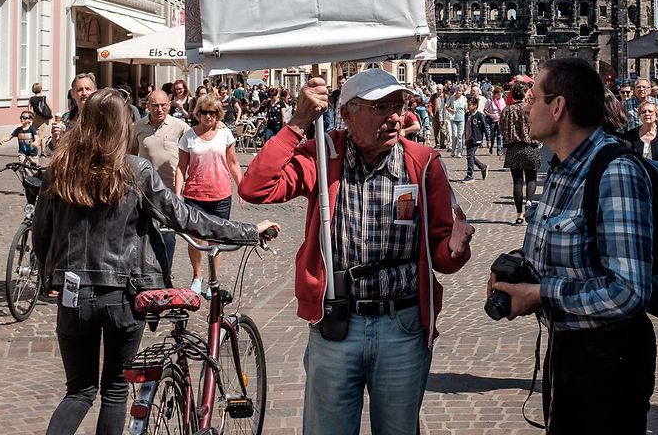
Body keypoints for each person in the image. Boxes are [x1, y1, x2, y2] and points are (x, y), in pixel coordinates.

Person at [239, 68, 472, 435]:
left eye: (399, 105)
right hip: (337, 325)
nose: (395, 116)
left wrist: (456, 248)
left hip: (403, 325)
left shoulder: (423, 163)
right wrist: (299, 121)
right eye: (380, 107)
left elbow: (442, 255)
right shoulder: (324, 155)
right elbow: (256, 188)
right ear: (347, 113)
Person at [32, 88, 278, 435]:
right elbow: (185, 218)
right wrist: (248, 231)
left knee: (79, 391)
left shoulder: (60, 169)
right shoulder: (134, 171)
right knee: (115, 390)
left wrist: (50, 279)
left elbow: (41, 232)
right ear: (125, 127)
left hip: (74, 295)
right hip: (121, 294)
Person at [490, 57, 655, 434]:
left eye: (533, 98)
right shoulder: (563, 168)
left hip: (609, 362)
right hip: (567, 351)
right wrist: (516, 267)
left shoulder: (615, 172)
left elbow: (629, 291)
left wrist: (540, 294)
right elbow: (563, 248)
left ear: (558, 106)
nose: (525, 107)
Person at [177, 93, 243, 296]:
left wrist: (242, 187)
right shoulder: (189, 135)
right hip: (194, 194)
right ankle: (197, 276)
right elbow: (181, 167)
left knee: (216, 240)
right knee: (195, 239)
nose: (208, 116)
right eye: (204, 112)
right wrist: (177, 192)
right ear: (198, 113)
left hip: (220, 195)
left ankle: (213, 278)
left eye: (212, 113)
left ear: (218, 114)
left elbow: (232, 163)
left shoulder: (225, 135)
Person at [134, 89, 190, 285]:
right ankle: (147, 275)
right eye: (155, 105)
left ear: (169, 105)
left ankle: (166, 273)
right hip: (144, 189)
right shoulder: (138, 126)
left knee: (168, 236)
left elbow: (190, 152)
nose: (159, 109)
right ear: (147, 106)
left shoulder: (180, 127)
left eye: (163, 105)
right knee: (145, 233)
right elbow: (132, 153)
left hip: (169, 190)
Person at [500, 84, 541, 225]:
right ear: (524, 94)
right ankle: (529, 202)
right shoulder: (528, 108)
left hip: (513, 148)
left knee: (517, 182)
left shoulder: (506, 110)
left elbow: (502, 128)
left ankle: (519, 214)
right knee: (531, 178)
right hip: (530, 146)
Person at [50, 73, 98, 150]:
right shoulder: (66, 118)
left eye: (88, 89)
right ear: (72, 93)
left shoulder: (103, 117)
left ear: (95, 92)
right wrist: (54, 141)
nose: (84, 93)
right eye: (80, 90)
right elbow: (51, 150)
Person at [463, 98, 490, 182]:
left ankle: (469, 175)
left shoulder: (480, 115)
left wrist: (488, 140)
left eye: (470, 105)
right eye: (468, 104)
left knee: (470, 156)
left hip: (476, 138)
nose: (468, 106)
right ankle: (483, 167)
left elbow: (485, 128)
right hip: (468, 138)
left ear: (475, 106)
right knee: (470, 156)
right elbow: (466, 126)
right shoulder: (467, 115)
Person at [483, 86, 506, 155]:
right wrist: (490, 115)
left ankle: (499, 150)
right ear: (495, 94)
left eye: (501, 94)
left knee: (499, 135)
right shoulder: (490, 101)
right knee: (492, 135)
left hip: (500, 120)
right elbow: (485, 110)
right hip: (492, 120)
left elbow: (504, 108)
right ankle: (491, 147)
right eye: (499, 94)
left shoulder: (502, 100)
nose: (501, 95)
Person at [450, 88, 467, 158]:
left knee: (460, 136)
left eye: (460, 91)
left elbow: (466, 109)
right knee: (454, 136)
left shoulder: (464, 99)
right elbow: (447, 106)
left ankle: (459, 152)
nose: (458, 92)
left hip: (461, 119)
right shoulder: (452, 98)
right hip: (454, 118)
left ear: (462, 92)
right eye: (457, 91)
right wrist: (452, 110)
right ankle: (453, 151)